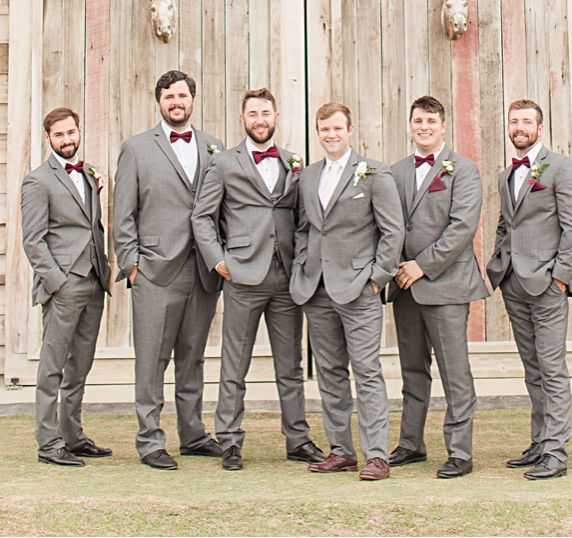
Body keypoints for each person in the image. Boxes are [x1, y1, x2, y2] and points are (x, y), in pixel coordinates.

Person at [190, 86, 323, 471]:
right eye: (253, 114)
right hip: (243, 276)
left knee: (291, 366)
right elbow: (202, 217)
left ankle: (297, 439)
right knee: (235, 365)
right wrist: (218, 261)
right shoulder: (224, 163)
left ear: (275, 117)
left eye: (266, 113)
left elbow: (303, 219)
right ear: (243, 119)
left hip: (286, 278)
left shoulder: (294, 162)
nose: (259, 120)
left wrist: (301, 262)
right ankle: (229, 441)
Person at [111, 68, 224, 469]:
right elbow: (122, 213)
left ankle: (193, 434)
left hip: (203, 272)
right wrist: (132, 264)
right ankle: (150, 440)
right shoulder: (137, 148)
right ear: (158, 102)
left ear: (193, 100)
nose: (176, 103)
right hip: (155, 272)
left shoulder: (215, 148)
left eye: (182, 96)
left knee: (192, 358)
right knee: (152, 360)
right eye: (169, 97)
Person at [291, 101, 403, 481]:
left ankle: (377, 455)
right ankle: (341, 450)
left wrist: (376, 278)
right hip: (316, 288)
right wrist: (300, 269)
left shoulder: (374, 173)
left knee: (367, 371)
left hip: (359, 289)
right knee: (329, 372)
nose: (331, 135)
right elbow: (305, 229)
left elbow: (393, 232)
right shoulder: (308, 176)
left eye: (337, 128)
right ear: (318, 133)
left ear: (350, 130)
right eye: (324, 129)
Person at [486, 97, 572, 480]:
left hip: (546, 284)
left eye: (527, 122)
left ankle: (556, 454)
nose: (519, 128)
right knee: (532, 369)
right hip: (513, 282)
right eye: (514, 121)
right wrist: (499, 261)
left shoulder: (562, 168)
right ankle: (540, 441)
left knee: (551, 367)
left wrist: (559, 277)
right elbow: (505, 224)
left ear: (540, 128)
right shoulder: (506, 174)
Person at [386, 94, 486, 478]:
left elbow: (462, 227)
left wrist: (421, 266)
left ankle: (459, 451)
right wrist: (396, 268)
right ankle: (411, 443)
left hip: (446, 285)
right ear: (410, 126)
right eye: (417, 121)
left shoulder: (463, 169)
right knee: (413, 370)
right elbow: (390, 225)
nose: (424, 127)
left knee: (454, 371)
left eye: (431, 121)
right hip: (404, 286)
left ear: (442, 126)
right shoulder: (394, 172)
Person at [21, 106, 112, 467]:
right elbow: (33, 240)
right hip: (64, 285)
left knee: (81, 366)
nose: (67, 140)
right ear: (48, 138)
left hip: (93, 281)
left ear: (79, 131)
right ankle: (48, 442)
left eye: (71, 132)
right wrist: (57, 283)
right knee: (53, 366)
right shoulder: (37, 181)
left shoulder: (89, 174)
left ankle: (72, 436)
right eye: (59, 135)